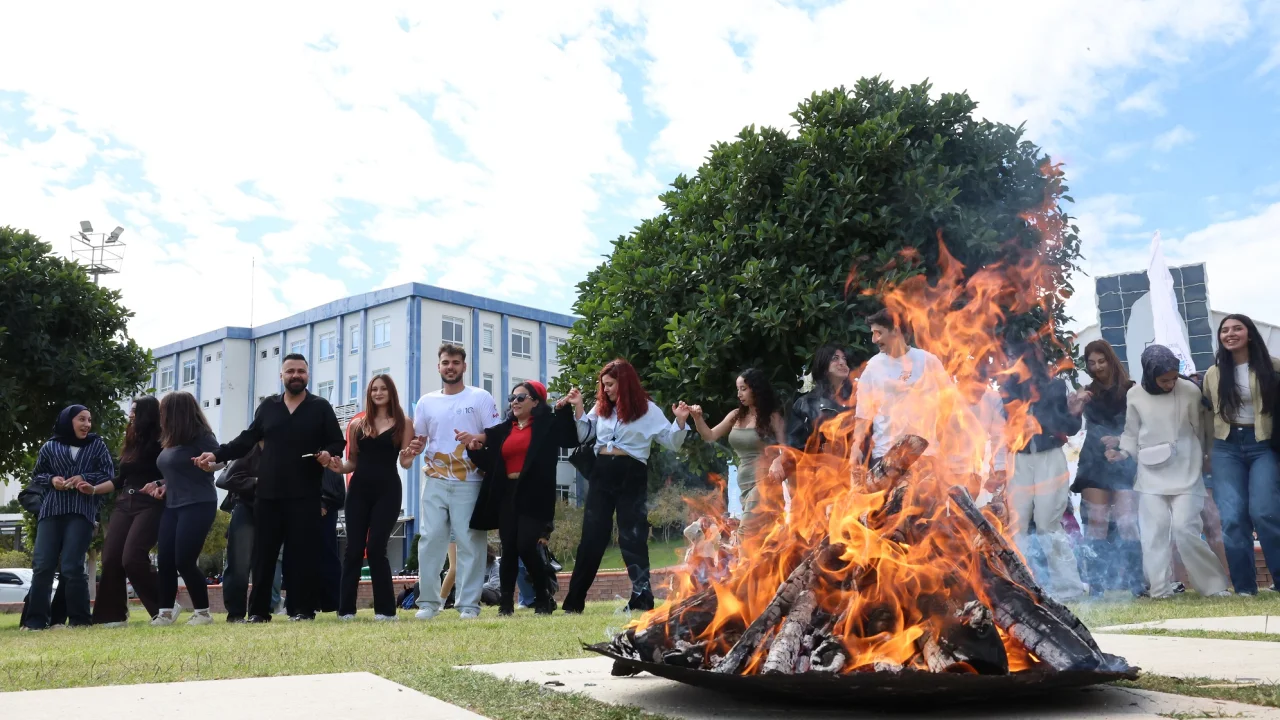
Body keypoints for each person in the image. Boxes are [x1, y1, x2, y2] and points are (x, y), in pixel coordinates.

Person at [195, 353, 346, 622]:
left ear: (308, 375)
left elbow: (338, 442)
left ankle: (301, 610)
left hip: (306, 494)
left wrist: (327, 453)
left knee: (301, 556)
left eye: (301, 371)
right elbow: (246, 440)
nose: (296, 375)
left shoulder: (320, 407)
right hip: (268, 494)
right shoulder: (268, 408)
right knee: (263, 556)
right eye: (290, 371)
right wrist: (217, 455)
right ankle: (259, 612)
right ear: (282, 375)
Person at [560, 359, 692, 613]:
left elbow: (671, 442)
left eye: (610, 384)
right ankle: (574, 602)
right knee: (591, 537)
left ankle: (642, 598)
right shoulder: (602, 408)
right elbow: (584, 435)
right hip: (602, 472)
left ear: (624, 382)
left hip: (631, 472)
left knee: (633, 536)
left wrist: (681, 422)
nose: (606, 389)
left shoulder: (649, 410)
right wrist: (578, 408)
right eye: (604, 385)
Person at [1109, 345, 1230, 599]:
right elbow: (1131, 432)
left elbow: (1203, 427)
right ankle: (1160, 589)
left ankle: (1214, 586)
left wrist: (1208, 455)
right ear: (1150, 374)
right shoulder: (1135, 394)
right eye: (1164, 380)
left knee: (1186, 529)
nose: (1170, 384)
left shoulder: (1189, 390)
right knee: (1154, 532)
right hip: (1150, 473)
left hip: (1187, 469)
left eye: (1174, 378)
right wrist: (1122, 452)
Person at [461, 380, 579, 616]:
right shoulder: (505, 430)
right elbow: (491, 464)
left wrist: (566, 409)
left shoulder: (546, 426)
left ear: (535, 401)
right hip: (508, 494)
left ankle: (543, 594)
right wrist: (473, 448)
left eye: (521, 397)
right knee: (510, 550)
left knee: (526, 545)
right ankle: (506, 605)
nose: (514, 402)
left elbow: (569, 439)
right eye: (512, 398)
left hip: (535, 493)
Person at [408, 344, 501, 620]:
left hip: (470, 480)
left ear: (464, 366)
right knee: (430, 541)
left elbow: (496, 434)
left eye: (456, 362)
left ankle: (468, 605)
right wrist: (413, 446)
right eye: (446, 362)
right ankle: (427, 604)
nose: (450, 367)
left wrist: (476, 438)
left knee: (471, 543)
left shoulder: (481, 397)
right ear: (438, 367)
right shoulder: (426, 402)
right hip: (435, 479)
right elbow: (421, 438)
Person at [995, 339, 1088, 601]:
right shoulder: (1007, 389)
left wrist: (1076, 411)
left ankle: (1068, 587)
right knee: (1017, 524)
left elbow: (1067, 426)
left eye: (1017, 356)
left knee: (1049, 523)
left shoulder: (1055, 386)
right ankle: (1019, 586)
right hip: (1020, 459)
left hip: (1049, 457)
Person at [1202, 314, 1280, 595]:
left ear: (1249, 333)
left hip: (1262, 444)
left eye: (1237, 328)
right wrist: (1206, 452)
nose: (1230, 334)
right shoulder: (1213, 373)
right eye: (1225, 330)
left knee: (1265, 512)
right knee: (1233, 517)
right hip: (1227, 446)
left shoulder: (1272, 367)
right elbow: (1208, 413)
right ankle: (1245, 587)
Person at [329, 374, 417, 620]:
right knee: (353, 549)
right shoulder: (358, 424)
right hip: (358, 492)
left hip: (388, 491)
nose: (378, 393)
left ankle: (386, 612)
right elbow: (352, 463)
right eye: (373, 389)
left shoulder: (404, 423)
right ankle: (345, 610)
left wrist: (410, 455)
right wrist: (338, 467)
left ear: (391, 392)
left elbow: (405, 462)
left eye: (383, 389)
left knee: (377, 548)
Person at [21, 405, 115, 631]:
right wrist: (53, 479)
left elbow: (108, 474)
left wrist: (84, 477)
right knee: (42, 566)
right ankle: (35, 622)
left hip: (81, 511)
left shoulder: (97, 445)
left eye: (89, 420)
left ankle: (80, 620)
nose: (87, 424)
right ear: (68, 421)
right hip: (51, 510)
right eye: (81, 419)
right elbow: (38, 475)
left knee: (72, 566)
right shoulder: (50, 446)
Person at [1071, 340, 1143, 597]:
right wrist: (1076, 406)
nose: (1097, 366)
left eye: (1101, 361)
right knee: (1096, 522)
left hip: (1124, 456)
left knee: (1127, 521)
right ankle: (1097, 587)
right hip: (1093, 457)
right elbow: (1073, 427)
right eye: (1091, 363)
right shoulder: (1087, 392)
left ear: (1111, 360)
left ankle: (1137, 584)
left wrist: (1120, 440)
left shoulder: (1131, 389)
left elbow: (1139, 425)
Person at [92, 397, 164, 627]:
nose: (130, 415)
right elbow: (120, 480)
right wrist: (92, 489)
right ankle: (111, 616)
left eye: (134, 411)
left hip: (151, 503)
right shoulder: (131, 441)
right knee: (111, 557)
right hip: (125, 501)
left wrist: (161, 484)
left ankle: (163, 606)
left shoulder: (163, 440)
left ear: (146, 413)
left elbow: (173, 470)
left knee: (132, 558)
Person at [150, 392, 221, 626]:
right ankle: (165, 613)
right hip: (172, 505)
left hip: (198, 503)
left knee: (184, 560)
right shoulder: (171, 441)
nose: (160, 415)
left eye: (163, 411)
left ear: (175, 412)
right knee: (166, 560)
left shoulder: (202, 436)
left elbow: (221, 460)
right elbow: (175, 473)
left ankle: (203, 613)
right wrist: (162, 485)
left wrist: (209, 463)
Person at [689, 368, 786, 534]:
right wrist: (697, 418)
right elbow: (710, 435)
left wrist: (778, 460)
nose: (739, 394)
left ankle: (741, 561)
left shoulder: (772, 417)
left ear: (756, 389)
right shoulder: (736, 416)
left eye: (744, 389)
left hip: (765, 480)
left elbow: (787, 448)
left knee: (745, 532)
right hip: (745, 483)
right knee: (762, 538)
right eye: (738, 389)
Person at [852, 309, 949, 468]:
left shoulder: (928, 361)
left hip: (925, 457)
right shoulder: (872, 368)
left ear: (895, 330)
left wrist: (944, 438)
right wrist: (856, 446)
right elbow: (863, 415)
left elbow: (949, 402)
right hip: (885, 457)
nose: (874, 339)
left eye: (878, 333)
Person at [218, 443, 283, 622]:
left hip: (273, 508)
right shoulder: (248, 448)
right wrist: (257, 482)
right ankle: (236, 613)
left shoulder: (286, 448)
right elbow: (228, 478)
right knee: (239, 562)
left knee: (266, 563)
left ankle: (259, 612)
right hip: (246, 506)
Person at [781, 344, 853, 458]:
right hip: (816, 471)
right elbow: (793, 446)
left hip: (851, 470)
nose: (842, 362)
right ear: (824, 367)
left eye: (844, 359)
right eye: (835, 358)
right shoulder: (805, 404)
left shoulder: (859, 400)